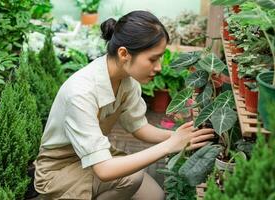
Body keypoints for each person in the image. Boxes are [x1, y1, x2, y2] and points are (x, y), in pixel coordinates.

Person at [34, 10, 214, 200]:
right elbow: (104, 170)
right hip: (59, 169)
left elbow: (140, 128)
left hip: (92, 157)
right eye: (153, 58)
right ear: (124, 54)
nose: (159, 66)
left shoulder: (127, 81)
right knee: (131, 178)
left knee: (155, 196)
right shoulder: (81, 92)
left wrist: (180, 137)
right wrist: (169, 145)